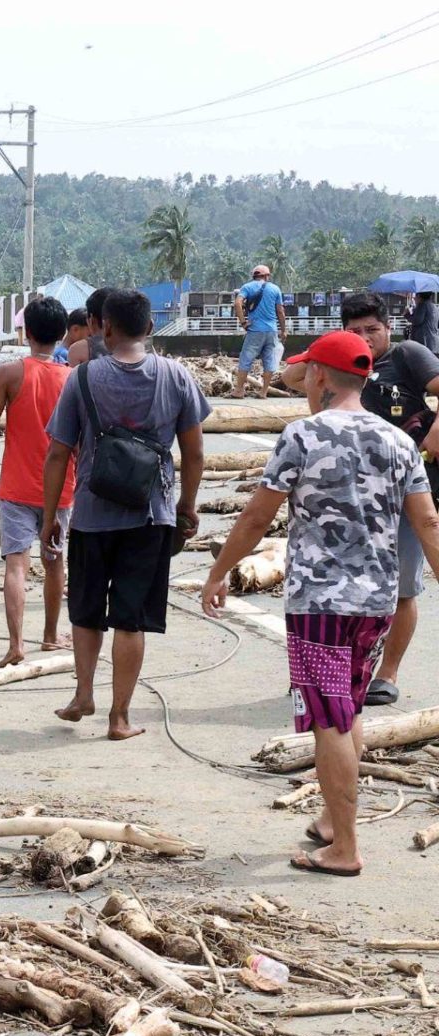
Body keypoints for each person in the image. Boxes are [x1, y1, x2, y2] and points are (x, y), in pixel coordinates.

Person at [202, 330, 439, 876]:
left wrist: (219, 572)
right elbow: (426, 521)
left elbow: (258, 516)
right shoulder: (400, 441)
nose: (305, 379)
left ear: (322, 378)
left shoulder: (303, 436)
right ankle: (334, 823)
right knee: (349, 706)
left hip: (321, 603)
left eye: (308, 371)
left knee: (329, 720)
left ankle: (345, 849)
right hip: (378, 600)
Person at [43, 288, 210, 741]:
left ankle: (82, 694)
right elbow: (194, 453)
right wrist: (186, 505)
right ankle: (120, 717)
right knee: (131, 619)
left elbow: (58, 454)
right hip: (151, 515)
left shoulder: (81, 378)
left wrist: (48, 518)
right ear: (151, 328)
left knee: (86, 611)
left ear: (105, 328)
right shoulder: (176, 376)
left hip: (92, 515)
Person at [281, 290, 439, 707]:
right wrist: (330, 357)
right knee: (341, 581)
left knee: (402, 585)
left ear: (389, 328)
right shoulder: (340, 366)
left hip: (406, 487)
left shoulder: (408, 355)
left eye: (373, 330)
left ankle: (386, 674)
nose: (366, 338)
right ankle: (343, 666)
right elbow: (290, 377)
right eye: (355, 332)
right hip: (350, 494)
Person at [0, 296, 73, 666]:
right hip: (63, 489)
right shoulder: (73, 378)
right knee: (55, 561)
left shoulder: (9, 373)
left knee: (16, 566)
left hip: (17, 487)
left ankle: (15, 643)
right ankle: (51, 636)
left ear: (26, 333)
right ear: (63, 334)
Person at [232, 264, 288, 398]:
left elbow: (237, 303)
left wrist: (243, 322)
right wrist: (284, 330)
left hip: (255, 330)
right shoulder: (275, 289)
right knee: (269, 360)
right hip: (272, 330)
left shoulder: (247, 287)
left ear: (254, 276)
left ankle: (239, 391)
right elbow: (280, 311)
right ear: (267, 276)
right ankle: (263, 392)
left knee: (246, 358)